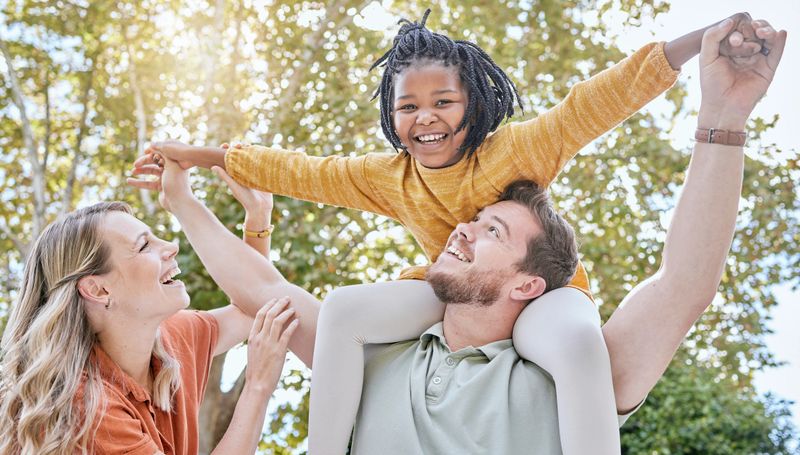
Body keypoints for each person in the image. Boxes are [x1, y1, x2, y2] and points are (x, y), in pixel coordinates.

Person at [130, 15, 785, 454]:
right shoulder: (370, 352)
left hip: (557, 315)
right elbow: (284, 217)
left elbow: (603, 104)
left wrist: (710, 77)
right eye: (408, 106)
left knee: (582, 339)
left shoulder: (569, 367)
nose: (464, 228)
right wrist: (188, 177)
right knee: (347, 309)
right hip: (427, 306)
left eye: (493, 225)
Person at [0, 178, 297, 454]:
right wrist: (257, 387)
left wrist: (257, 218)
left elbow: (250, 308)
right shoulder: (83, 406)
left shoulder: (173, 338)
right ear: (98, 289)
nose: (171, 247)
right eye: (144, 245)